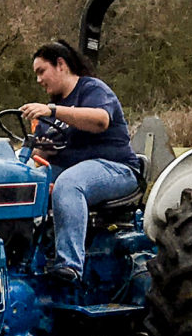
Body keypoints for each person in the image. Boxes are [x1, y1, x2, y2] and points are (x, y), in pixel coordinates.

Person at [18, 40, 141, 284]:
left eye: (41, 71)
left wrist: (52, 111)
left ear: (61, 65)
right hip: (71, 168)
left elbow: (100, 120)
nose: (38, 80)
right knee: (21, 183)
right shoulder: (51, 109)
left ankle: (69, 266)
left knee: (69, 184)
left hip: (115, 168)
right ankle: (20, 258)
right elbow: (42, 148)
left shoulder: (92, 90)